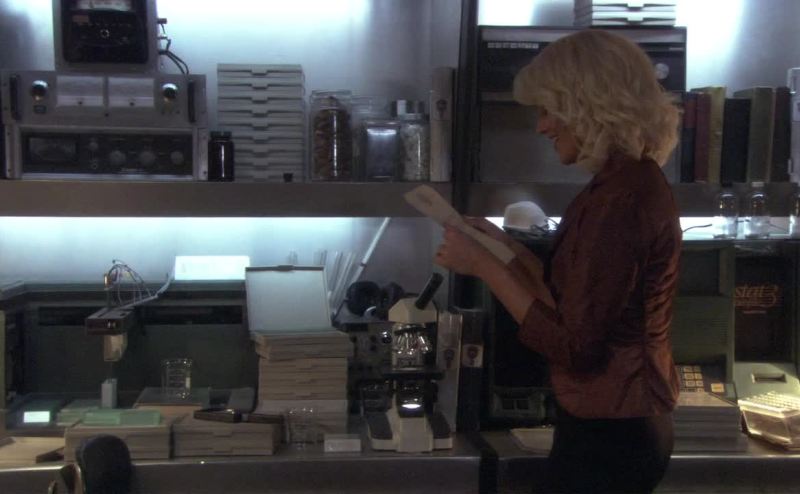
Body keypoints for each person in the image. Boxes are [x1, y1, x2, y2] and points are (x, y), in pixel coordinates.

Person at [435, 29, 682, 494]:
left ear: (587, 105)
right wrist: (505, 249)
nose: (542, 126)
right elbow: (569, 296)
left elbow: (576, 347)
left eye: (549, 110)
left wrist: (486, 268)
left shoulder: (621, 200)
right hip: (615, 424)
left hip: (614, 433)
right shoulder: (619, 185)